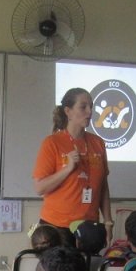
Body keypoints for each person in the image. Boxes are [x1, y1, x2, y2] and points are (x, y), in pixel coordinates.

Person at [32, 88, 113, 244]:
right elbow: (39, 188)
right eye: (83, 107)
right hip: (56, 227)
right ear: (68, 111)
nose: (89, 112)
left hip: (89, 226)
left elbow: (103, 187)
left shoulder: (98, 143)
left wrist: (108, 222)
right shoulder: (52, 143)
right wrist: (67, 169)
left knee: (87, 268)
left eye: (91, 106)